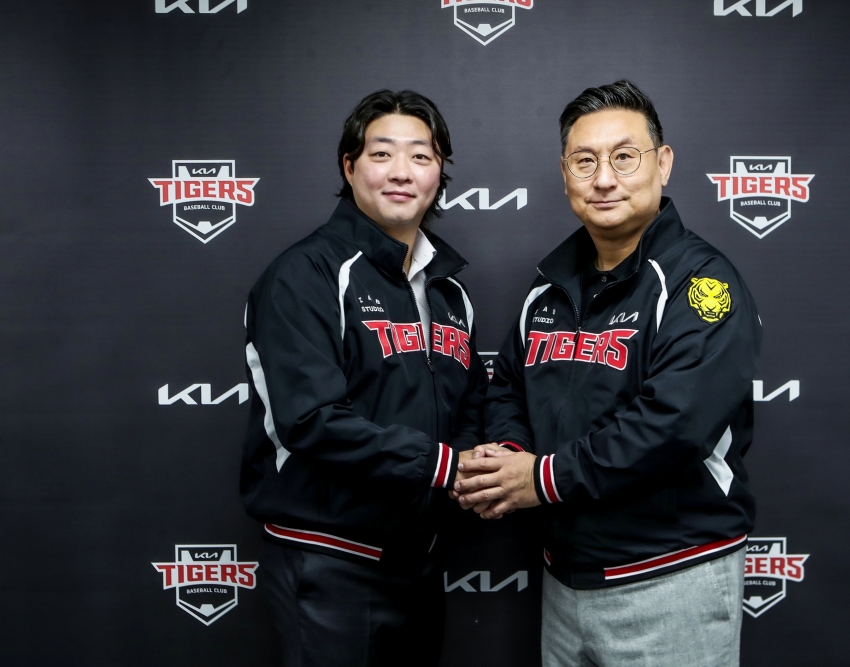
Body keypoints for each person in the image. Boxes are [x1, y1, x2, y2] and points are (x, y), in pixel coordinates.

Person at [454, 80, 762, 667]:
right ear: (564, 173)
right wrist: (510, 459)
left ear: (663, 163)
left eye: (624, 157)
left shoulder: (702, 284)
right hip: (566, 579)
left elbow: (673, 425)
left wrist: (540, 479)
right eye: (584, 160)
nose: (603, 179)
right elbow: (509, 385)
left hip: (670, 578)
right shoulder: (549, 287)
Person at [240, 89, 487, 667]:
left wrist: (481, 465)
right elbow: (311, 420)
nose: (402, 171)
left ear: (440, 174)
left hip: (420, 560)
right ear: (349, 167)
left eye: (421, 156)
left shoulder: (450, 291)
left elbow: (470, 402)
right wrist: (444, 465)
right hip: (331, 561)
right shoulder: (305, 274)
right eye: (382, 154)